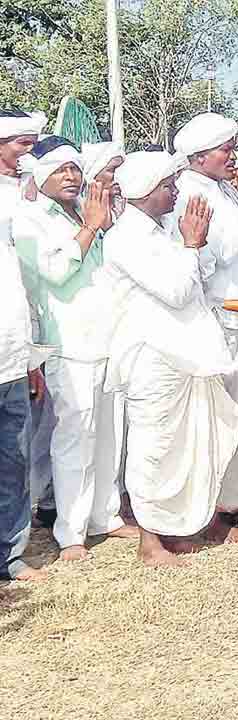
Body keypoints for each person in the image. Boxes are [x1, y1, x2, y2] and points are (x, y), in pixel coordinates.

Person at [102, 151, 238, 567]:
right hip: (153, 358)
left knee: (195, 442)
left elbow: (196, 279)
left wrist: (191, 245)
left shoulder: (159, 230)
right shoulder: (125, 237)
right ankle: (151, 543)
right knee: (156, 447)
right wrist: (190, 243)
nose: (176, 192)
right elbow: (177, 292)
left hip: (187, 355)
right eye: (169, 186)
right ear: (147, 191)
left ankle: (187, 528)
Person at [11, 137, 134, 562]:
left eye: (75, 169)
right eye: (62, 170)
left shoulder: (86, 210)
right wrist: (91, 228)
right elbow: (56, 271)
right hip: (69, 344)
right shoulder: (28, 220)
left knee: (108, 436)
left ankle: (107, 517)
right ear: (42, 176)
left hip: (108, 338)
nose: (71, 177)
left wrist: (97, 223)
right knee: (74, 438)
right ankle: (71, 533)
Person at [172, 112, 238, 542]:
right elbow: (220, 252)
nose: (232, 157)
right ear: (199, 157)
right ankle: (219, 506)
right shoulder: (189, 195)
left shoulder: (224, 190)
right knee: (229, 414)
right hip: (224, 317)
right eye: (225, 150)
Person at [1, 112, 48, 581]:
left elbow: (28, 288)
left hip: (13, 354)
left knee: (13, 462)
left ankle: (10, 556)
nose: (28, 155)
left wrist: (31, 357)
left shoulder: (25, 201)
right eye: (21, 144)